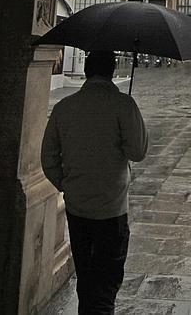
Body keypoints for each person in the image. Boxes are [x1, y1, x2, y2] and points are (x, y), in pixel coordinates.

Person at [41, 51, 148, 315]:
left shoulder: (64, 107)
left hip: (77, 209)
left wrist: (66, 185)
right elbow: (138, 152)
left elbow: (48, 158)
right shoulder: (123, 105)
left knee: (86, 276)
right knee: (107, 280)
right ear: (112, 71)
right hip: (112, 209)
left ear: (87, 70)